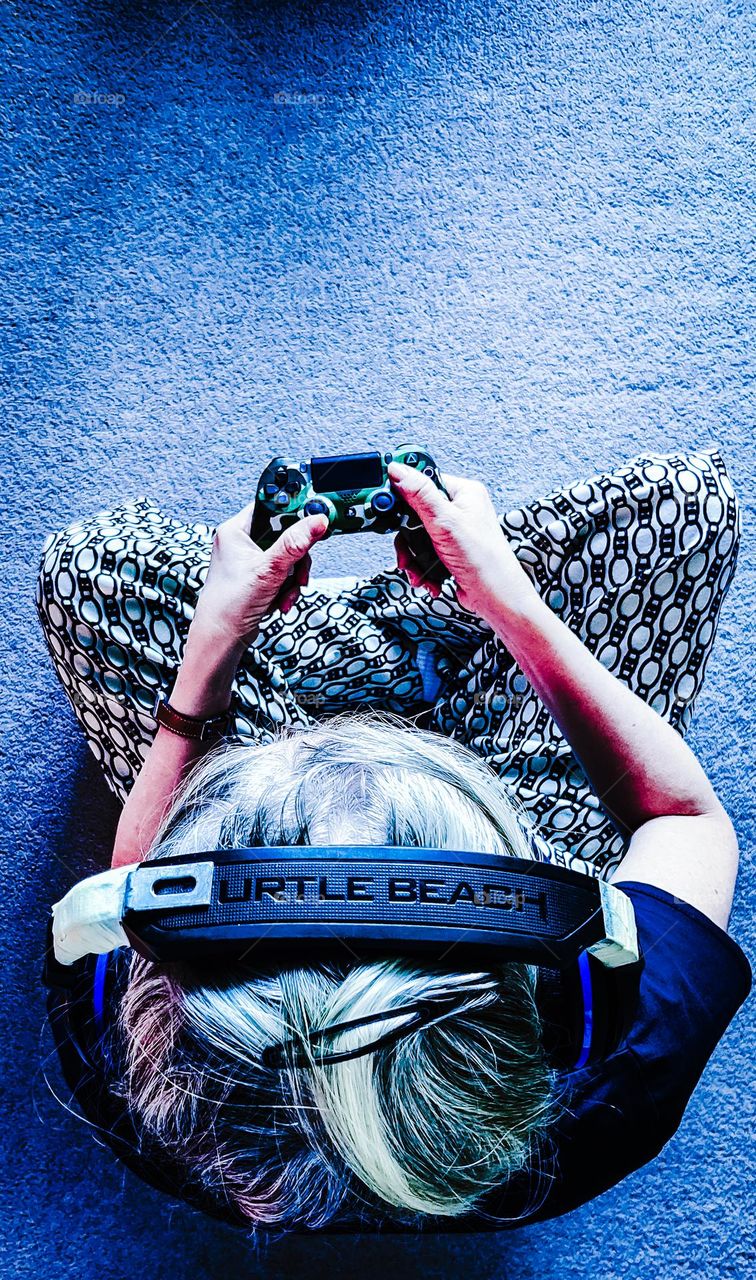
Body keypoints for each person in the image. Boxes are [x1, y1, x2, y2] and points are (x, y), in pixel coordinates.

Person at [35, 445, 751, 1236]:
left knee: (85, 565)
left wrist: (211, 642)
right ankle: (421, 631)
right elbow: (684, 819)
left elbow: (134, 882)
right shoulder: (628, 1057)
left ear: (137, 998)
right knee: (680, 501)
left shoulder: (139, 1072)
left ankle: (356, 643)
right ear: (580, 1009)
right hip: (488, 778)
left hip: (276, 739)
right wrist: (512, 603)